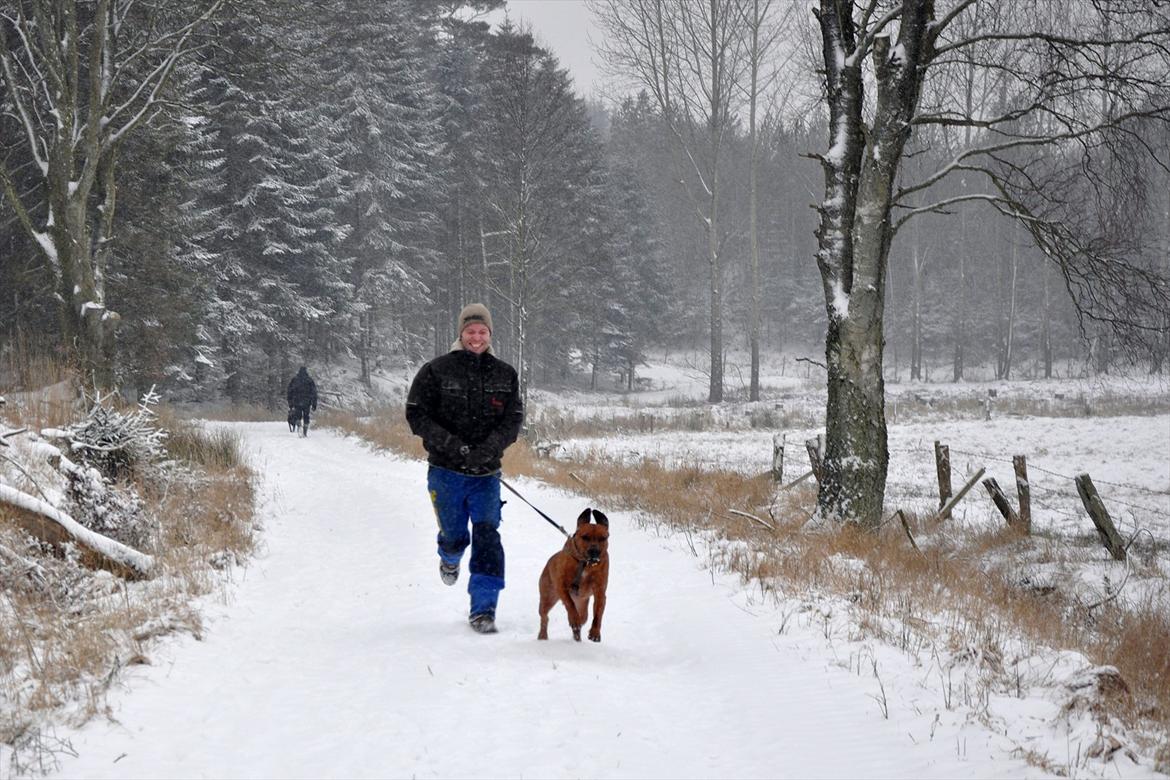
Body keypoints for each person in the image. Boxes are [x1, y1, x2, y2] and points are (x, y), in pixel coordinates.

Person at [405, 303, 524, 634]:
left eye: (482, 331)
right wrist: (453, 445)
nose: (476, 337)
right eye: (471, 331)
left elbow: (513, 419)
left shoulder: (505, 374)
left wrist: (489, 448)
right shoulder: (436, 370)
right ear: (461, 333)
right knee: (455, 536)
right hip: (446, 472)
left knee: (488, 537)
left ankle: (483, 609)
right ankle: (449, 556)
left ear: (490, 334)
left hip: (486, 475)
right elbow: (416, 414)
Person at [286, 366, 318, 436]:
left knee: (298, 416)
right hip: (307, 402)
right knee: (306, 416)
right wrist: (314, 404)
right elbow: (314, 392)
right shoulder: (309, 380)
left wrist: (290, 403)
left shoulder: (294, 380)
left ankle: (299, 426)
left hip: (297, 401)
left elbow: (290, 391)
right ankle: (305, 431)